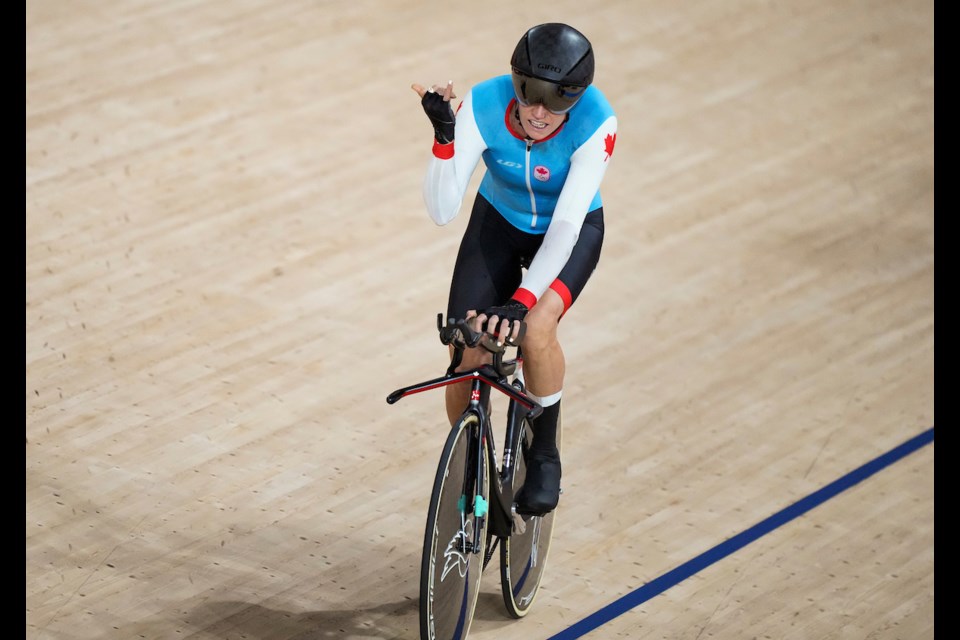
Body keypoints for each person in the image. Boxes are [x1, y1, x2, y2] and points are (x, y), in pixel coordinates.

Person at [411, 22, 617, 515]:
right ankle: (467, 460)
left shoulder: (597, 122)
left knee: (536, 329)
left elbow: (565, 228)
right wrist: (445, 139)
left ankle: (544, 455)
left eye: (557, 103)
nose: (541, 114)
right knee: (468, 345)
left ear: (577, 98)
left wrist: (522, 302)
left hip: (568, 231)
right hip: (498, 222)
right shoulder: (483, 104)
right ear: (516, 85)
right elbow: (442, 211)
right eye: (531, 98)